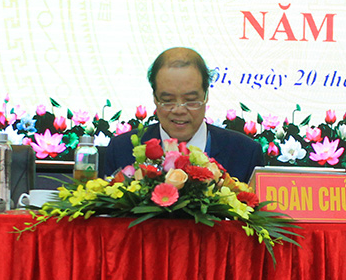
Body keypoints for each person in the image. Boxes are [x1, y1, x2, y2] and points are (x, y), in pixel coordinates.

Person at [101, 47, 264, 182]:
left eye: (191, 100)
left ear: (206, 96)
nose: (179, 110)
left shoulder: (245, 153)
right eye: (168, 100)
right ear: (155, 98)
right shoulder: (122, 150)